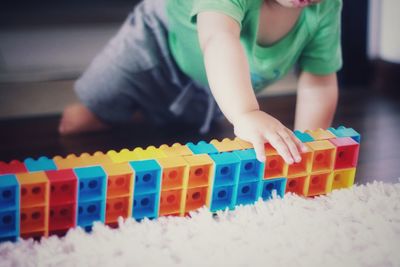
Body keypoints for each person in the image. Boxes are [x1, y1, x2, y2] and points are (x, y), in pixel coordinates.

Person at [59, 0, 342, 164]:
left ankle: (155, 106)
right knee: (77, 123)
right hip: (157, 44)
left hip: (213, 84)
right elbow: (219, 38)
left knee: (179, 126)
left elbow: (319, 80)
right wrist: (246, 113)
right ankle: (133, 103)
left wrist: (308, 149)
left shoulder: (326, 8)